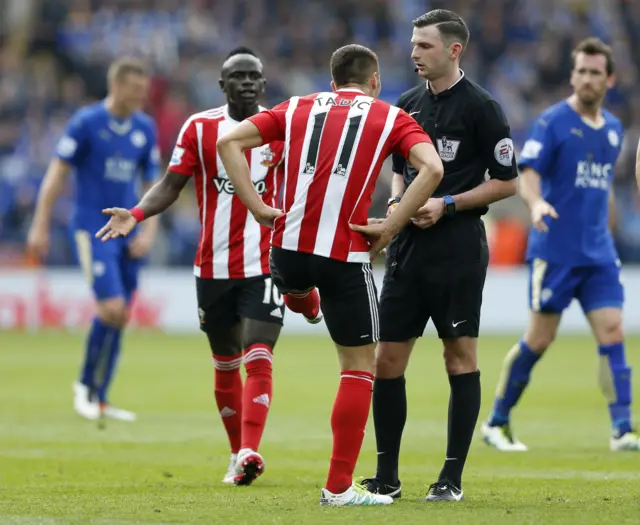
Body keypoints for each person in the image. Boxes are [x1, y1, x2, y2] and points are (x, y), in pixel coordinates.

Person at [215, 44, 444, 506]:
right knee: (360, 366)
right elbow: (432, 168)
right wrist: (390, 228)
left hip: (286, 250)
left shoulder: (298, 105)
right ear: (374, 80)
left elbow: (228, 142)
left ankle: (303, 300)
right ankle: (339, 489)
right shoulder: (389, 116)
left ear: (332, 79)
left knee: (298, 289)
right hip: (344, 255)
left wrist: (257, 207)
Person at [95, 47, 292, 485]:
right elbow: (170, 184)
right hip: (213, 268)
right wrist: (137, 213)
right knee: (225, 363)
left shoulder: (281, 128)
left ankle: (249, 450)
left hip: (265, 264)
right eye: (236, 76)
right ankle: (234, 451)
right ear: (221, 85)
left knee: (259, 356)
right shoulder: (199, 127)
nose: (245, 82)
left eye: (253, 76)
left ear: (263, 84)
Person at [360, 10, 518, 502]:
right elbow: (400, 173)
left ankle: (451, 478)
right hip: (408, 251)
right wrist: (398, 204)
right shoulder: (405, 104)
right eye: (412, 45)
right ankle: (387, 477)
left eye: (424, 46)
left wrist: (447, 203)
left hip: (457, 251)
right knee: (387, 360)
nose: (413, 54)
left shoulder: (483, 108)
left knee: (459, 356)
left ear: (454, 50)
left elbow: (507, 182)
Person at [482, 37, 640, 452]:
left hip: (599, 252)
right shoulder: (553, 122)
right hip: (555, 250)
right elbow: (529, 172)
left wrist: (612, 220)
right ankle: (497, 421)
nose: (586, 79)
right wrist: (535, 205)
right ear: (572, 76)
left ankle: (622, 428)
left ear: (610, 79)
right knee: (540, 338)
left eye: (594, 72)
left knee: (613, 331)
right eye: (580, 72)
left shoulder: (612, 129)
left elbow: (600, 186)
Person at [27, 57, 160, 423]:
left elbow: (154, 185)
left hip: (127, 230)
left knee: (121, 315)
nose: (140, 96)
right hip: (92, 227)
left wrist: (147, 230)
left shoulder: (144, 129)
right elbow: (57, 173)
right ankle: (84, 386)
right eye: (135, 89)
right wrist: (40, 223)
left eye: (143, 91)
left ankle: (101, 396)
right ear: (115, 86)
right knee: (110, 308)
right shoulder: (86, 123)